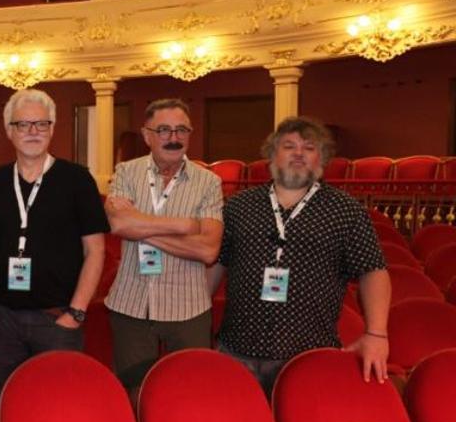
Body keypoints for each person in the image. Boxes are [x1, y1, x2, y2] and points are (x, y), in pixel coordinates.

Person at [212, 116, 390, 393]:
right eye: (289, 146)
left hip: (308, 354)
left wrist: (376, 334)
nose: (298, 153)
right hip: (236, 350)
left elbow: (373, 270)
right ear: (271, 154)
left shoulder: (345, 210)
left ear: (322, 157)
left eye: (309, 147)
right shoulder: (238, 207)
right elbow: (216, 265)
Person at [0, 89, 109, 401]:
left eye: (41, 124)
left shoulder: (77, 180)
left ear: (52, 129)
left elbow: (96, 251)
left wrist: (75, 312)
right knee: (10, 404)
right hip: (3, 319)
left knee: (59, 405)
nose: (33, 132)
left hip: (57, 317)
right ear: (9, 130)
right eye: (23, 125)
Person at [103, 98, 223, 397]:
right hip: (130, 303)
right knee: (134, 393)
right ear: (147, 135)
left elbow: (208, 249)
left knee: (190, 392)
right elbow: (119, 226)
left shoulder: (208, 182)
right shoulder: (126, 172)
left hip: (188, 307)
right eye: (165, 130)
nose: (174, 138)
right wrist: (184, 226)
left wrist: (140, 228)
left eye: (182, 130)